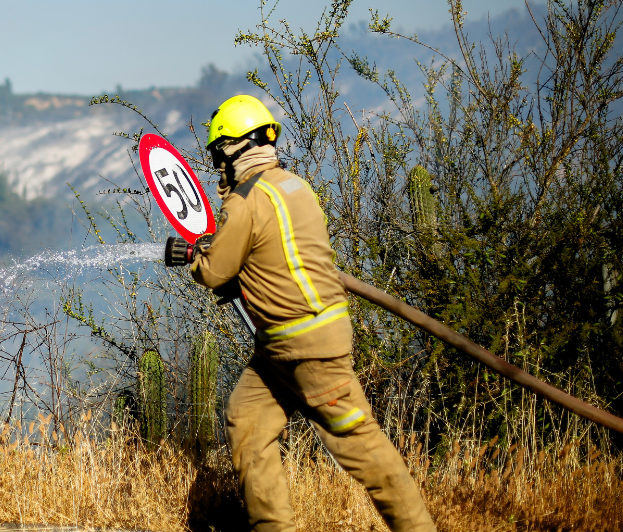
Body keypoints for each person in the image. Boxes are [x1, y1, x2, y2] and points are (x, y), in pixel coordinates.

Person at [164, 95, 436, 532]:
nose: (218, 165)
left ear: (234, 147)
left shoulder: (245, 201)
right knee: (247, 420)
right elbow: (272, 256)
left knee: (359, 445)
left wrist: (191, 255)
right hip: (282, 344)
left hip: (306, 347)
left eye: (219, 153)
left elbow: (215, 272)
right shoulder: (293, 185)